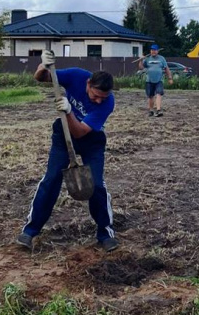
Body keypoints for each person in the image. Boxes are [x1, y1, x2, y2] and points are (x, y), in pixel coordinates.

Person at [16, 50, 119, 252]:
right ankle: (30, 230)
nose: (98, 101)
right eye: (96, 96)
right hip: (62, 135)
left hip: (91, 140)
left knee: (97, 185)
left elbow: (80, 132)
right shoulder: (76, 76)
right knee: (52, 178)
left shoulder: (108, 103)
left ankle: (105, 233)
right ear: (88, 84)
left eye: (103, 97)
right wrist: (43, 65)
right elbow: (43, 78)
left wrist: (69, 111)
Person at [138, 44, 173, 117]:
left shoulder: (161, 59)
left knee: (159, 94)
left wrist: (170, 78)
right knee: (150, 96)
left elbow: (166, 69)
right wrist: (141, 60)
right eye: (152, 50)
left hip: (159, 80)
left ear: (157, 51)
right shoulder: (147, 59)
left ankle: (158, 110)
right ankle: (151, 110)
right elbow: (141, 68)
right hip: (149, 81)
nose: (153, 51)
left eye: (154, 50)